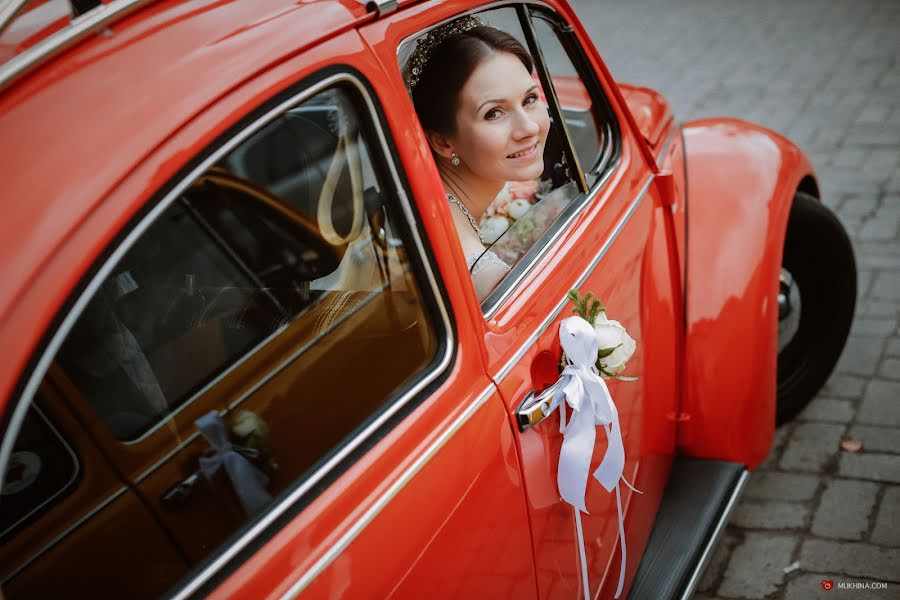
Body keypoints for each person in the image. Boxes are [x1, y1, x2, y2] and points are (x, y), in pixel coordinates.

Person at [406, 15, 551, 300]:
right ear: (443, 142)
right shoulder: (486, 278)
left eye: (530, 99)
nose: (529, 128)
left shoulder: (433, 202)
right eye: (494, 113)